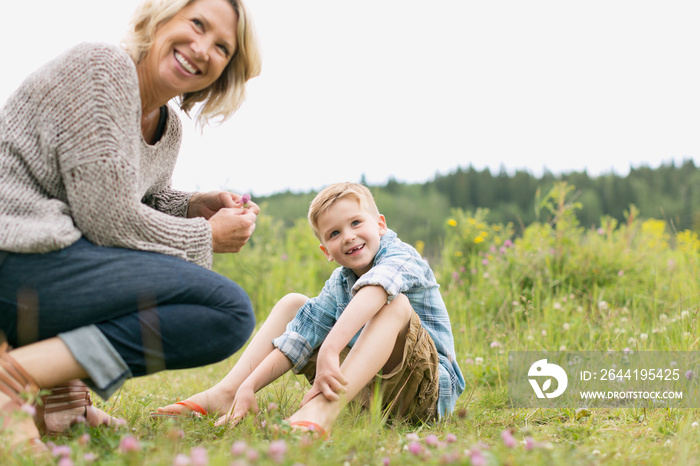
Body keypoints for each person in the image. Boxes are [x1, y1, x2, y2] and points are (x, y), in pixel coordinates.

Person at [0, 0, 261, 452]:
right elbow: (107, 218)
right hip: (16, 249)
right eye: (196, 24)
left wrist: (191, 206)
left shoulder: (169, 127)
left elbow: (135, 196)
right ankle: (10, 385)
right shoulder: (101, 69)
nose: (202, 49)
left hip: (52, 257)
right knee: (226, 310)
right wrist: (208, 236)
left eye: (222, 47)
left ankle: (63, 400)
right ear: (160, 18)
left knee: (207, 303)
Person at [157, 182, 465, 436]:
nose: (348, 236)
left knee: (393, 302)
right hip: (370, 394)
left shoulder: (401, 256)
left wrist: (331, 348)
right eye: (334, 233)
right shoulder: (339, 281)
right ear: (326, 251)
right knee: (295, 304)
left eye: (356, 223)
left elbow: (377, 288)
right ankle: (228, 393)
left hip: (426, 394)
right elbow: (300, 336)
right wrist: (251, 385)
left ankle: (323, 411)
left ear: (380, 225)